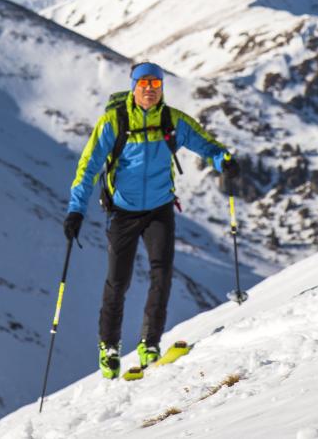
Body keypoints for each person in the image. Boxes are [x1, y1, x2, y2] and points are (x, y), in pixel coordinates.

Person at [64, 61, 234, 378]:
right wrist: (76, 210)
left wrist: (224, 160)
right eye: (144, 84)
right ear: (133, 86)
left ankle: (150, 344)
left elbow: (207, 145)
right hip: (123, 211)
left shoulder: (172, 121)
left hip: (160, 208)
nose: (150, 90)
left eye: (156, 84)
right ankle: (109, 347)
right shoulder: (113, 122)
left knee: (162, 274)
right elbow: (87, 168)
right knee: (119, 281)